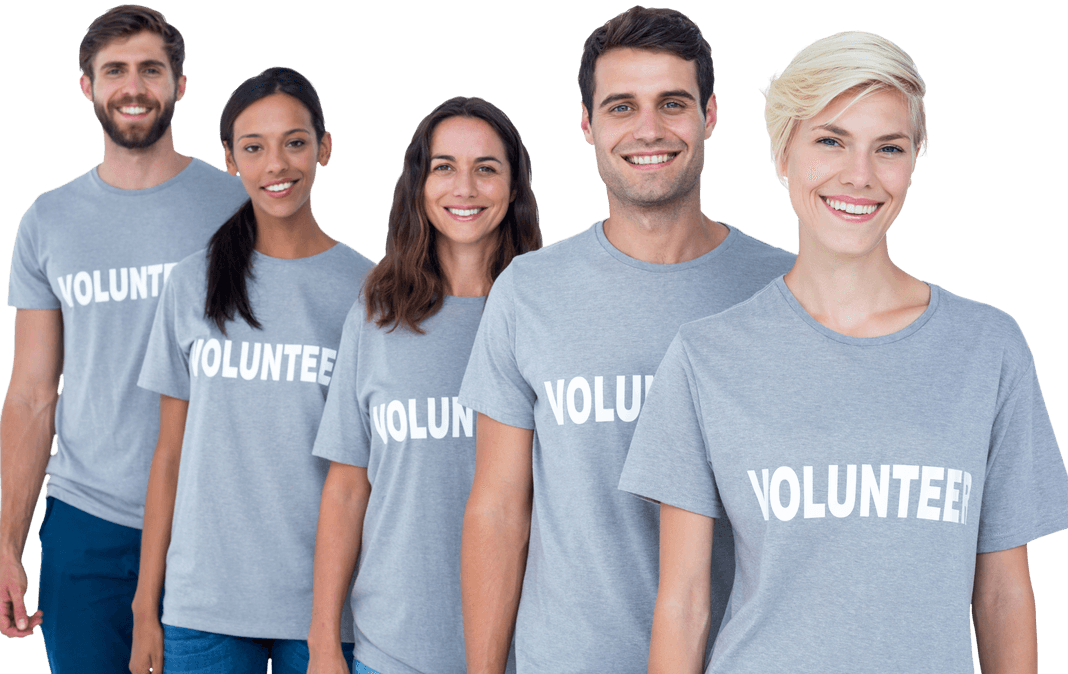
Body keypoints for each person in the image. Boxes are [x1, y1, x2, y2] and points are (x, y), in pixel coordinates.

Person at [619, 30, 1068, 674]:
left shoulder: (989, 349)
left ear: (913, 160)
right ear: (783, 154)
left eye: (888, 147)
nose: (859, 174)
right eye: (830, 140)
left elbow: (1001, 596)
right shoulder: (704, 357)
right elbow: (685, 602)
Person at [456, 7, 795, 674]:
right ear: (587, 125)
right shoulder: (528, 290)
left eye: (672, 103)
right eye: (621, 107)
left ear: (711, 115)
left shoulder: (789, 287)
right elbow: (498, 509)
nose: (648, 130)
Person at [0, 5, 248, 671]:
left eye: (150, 70)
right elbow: (30, 394)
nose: (133, 86)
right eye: (115, 71)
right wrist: (9, 547)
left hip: (210, 519)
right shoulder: (48, 221)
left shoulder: (236, 208)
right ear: (88, 86)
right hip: (86, 521)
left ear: (179, 84)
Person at [129, 66, 373, 674]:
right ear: (230, 159)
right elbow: (169, 455)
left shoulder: (368, 291)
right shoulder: (190, 283)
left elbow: (370, 466)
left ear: (325, 147)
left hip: (324, 610)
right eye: (254, 148)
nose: (277, 165)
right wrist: (144, 607)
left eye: (295, 142)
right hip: (202, 604)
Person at [306, 96, 540, 674]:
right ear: (418, 184)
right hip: (388, 651)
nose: (465, 187)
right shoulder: (376, 310)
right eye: (444, 167)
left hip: (523, 652)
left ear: (513, 189)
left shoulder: (547, 311)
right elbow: (346, 486)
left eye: (486, 168)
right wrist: (322, 641)